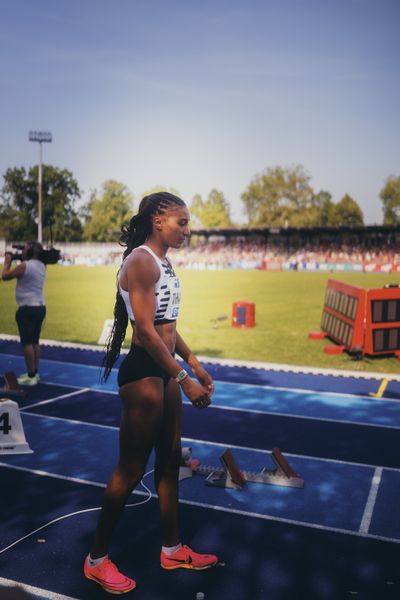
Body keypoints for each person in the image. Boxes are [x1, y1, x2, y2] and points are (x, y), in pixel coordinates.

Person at [84, 192, 218, 595]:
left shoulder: (163, 262)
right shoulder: (141, 260)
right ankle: (95, 560)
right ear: (158, 220)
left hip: (165, 372)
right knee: (129, 469)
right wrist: (183, 378)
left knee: (170, 460)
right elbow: (144, 332)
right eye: (182, 222)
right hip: (144, 375)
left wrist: (193, 363)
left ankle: (173, 548)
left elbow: (166, 327)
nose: (187, 230)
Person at [1, 241, 46, 386]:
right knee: (35, 341)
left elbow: (5, 276)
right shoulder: (42, 265)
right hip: (40, 306)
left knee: (27, 342)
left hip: (27, 308)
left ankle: (31, 375)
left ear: (30, 251)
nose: (23, 251)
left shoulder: (25, 265)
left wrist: (7, 261)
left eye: (25, 248)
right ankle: (35, 373)